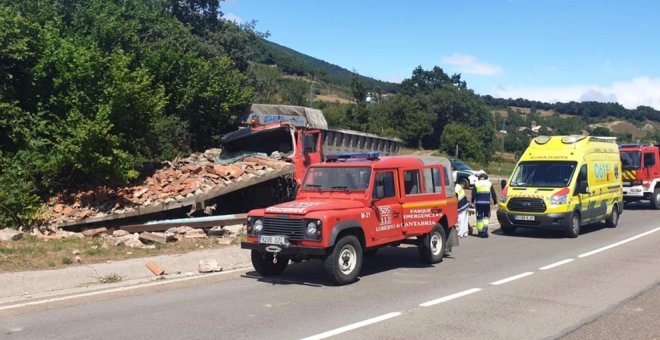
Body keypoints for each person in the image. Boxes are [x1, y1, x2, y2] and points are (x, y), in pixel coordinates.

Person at [472, 173, 498, 238]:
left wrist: (472, 202)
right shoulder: (489, 183)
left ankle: (480, 232)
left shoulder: (476, 184)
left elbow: (473, 194)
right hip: (487, 204)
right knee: (486, 217)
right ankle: (485, 231)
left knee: (479, 218)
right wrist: (495, 202)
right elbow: (493, 194)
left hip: (479, 204)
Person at [454, 172, 470, 237]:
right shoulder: (459, 186)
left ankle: (460, 233)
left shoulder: (454, 190)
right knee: (465, 220)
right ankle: (465, 233)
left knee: (461, 220)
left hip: (461, 206)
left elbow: (455, 200)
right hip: (466, 204)